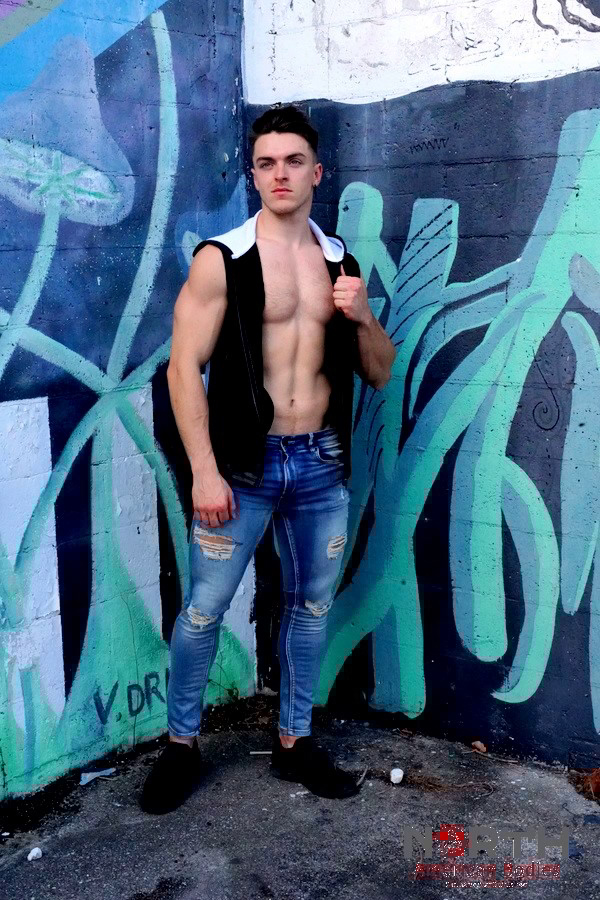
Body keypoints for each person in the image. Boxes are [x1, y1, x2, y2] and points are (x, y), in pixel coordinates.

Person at [141, 105, 396, 814]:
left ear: (317, 172)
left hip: (320, 464)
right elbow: (182, 368)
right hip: (242, 469)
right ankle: (180, 746)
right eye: (265, 163)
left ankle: (294, 741)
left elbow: (379, 370)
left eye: (293, 161)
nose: (279, 174)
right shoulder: (221, 258)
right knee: (205, 609)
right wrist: (204, 470)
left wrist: (363, 315)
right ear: (253, 175)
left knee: (310, 606)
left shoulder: (339, 262)